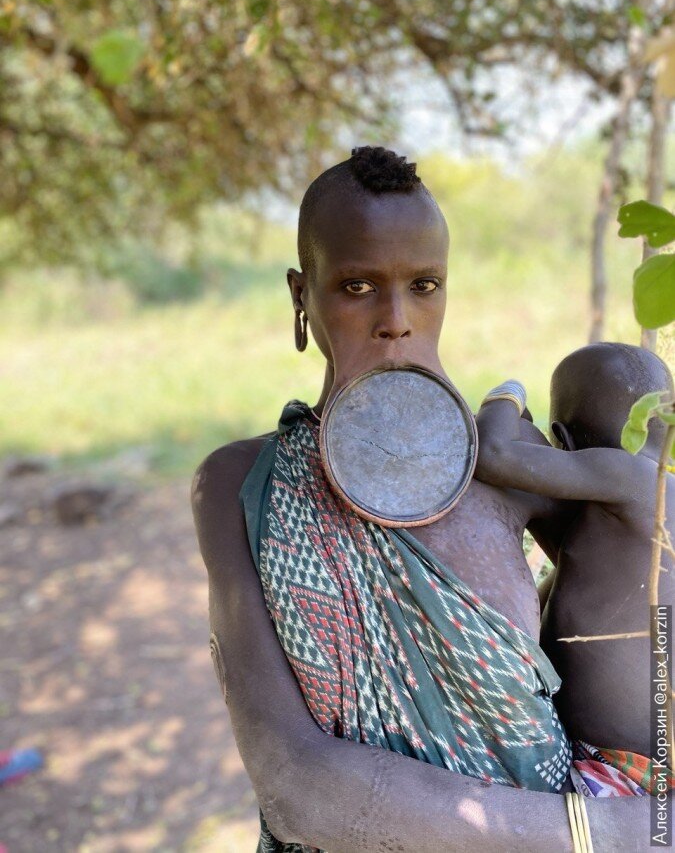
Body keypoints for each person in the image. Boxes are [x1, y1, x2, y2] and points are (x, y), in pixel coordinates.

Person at [192, 147, 651, 851]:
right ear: (299, 295)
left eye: (424, 284)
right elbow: (297, 786)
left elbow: (631, 619)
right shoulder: (243, 485)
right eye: (355, 287)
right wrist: (618, 831)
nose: (396, 318)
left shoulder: (512, 463)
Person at [475, 344, 675, 798]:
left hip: (620, 768)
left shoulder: (627, 474)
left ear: (563, 439)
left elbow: (494, 452)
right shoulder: (653, 499)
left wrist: (505, 397)